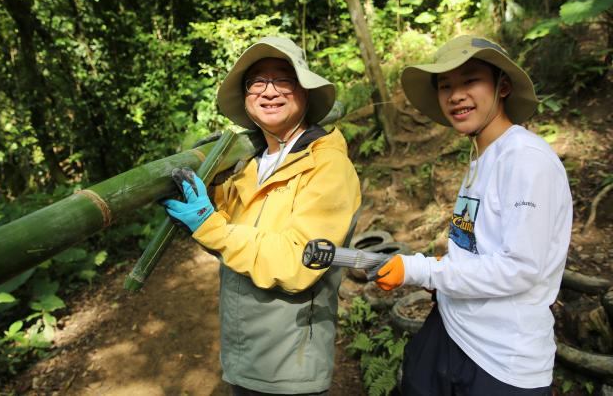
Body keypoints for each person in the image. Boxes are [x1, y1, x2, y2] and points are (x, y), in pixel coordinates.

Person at [373, 35, 573, 395]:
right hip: (452, 329)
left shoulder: (526, 159)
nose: (455, 95)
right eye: (445, 85)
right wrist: (443, 270)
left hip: (500, 359)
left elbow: (520, 268)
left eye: (470, 80)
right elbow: (477, 246)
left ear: (503, 86)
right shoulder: (482, 156)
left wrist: (421, 270)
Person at [163, 36, 361, 395]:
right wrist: (206, 213)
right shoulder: (250, 164)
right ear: (246, 96)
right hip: (244, 355)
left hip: (290, 368)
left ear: (305, 91)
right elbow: (235, 243)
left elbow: (299, 262)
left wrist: (211, 227)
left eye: (284, 79)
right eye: (257, 81)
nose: (269, 91)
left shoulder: (328, 166)